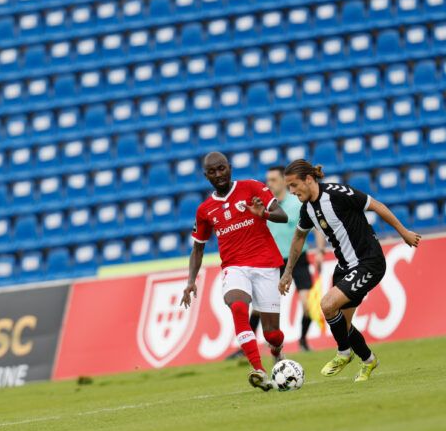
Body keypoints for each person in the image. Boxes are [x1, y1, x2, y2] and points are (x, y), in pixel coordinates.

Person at [279, 160, 421, 382]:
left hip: (368, 262)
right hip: (344, 267)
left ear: (308, 179)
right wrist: (288, 272)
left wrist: (403, 232)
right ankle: (368, 360)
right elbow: (298, 237)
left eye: (294, 185)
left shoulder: (337, 193)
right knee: (342, 325)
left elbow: (377, 206)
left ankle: (344, 352)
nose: (291, 191)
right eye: (289, 186)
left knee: (327, 304)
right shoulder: (307, 209)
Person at [180, 152, 289, 391]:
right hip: (234, 266)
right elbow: (197, 248)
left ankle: (277, 353)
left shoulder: (252, 187)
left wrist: (264, 214)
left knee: (273, 334)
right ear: (206, 176)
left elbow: (283, 216)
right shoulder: (205, 210)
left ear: (229, 167)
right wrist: (190, 281)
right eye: (212, 171)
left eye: (222, 168)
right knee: (238, 307)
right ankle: (259, 371)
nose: (218, 174)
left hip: (266, 264)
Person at [251, 165, 326, 352]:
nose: (269, 184)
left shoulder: (297, 203)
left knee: (307, 304)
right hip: (272, 262)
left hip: (297, 260)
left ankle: (303, 341)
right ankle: (247, 347)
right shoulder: (264, 205)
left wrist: (320, 251)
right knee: (259, 307)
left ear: (284, 182)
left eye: (273, 180)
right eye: (268, 180)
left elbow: (317, 227)